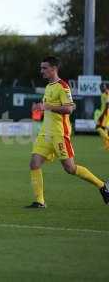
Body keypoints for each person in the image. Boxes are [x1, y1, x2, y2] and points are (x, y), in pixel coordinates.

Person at [27, 56, 109, 208]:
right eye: (41, 68)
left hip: (59, 134)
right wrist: (40, 108)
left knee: (70, 168)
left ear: (54, 69)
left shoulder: (63, 86)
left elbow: (69, 109)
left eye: (44, 68)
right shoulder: (48, 87)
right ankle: (40, 201)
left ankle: (102, 186)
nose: (41, 71)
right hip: (45, 133)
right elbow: (50, 107)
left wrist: (48, 107)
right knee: (34, 163)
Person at [95, 83, 109, 149]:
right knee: (105, 130)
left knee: (98, 128)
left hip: (105, 113)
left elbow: (107, 104)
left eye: (102, 87)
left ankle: (108, 140)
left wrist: (104, 113)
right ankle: (107, 146)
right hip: (104, 112)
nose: (100, 88)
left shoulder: (106, 93)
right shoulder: (104, 94)